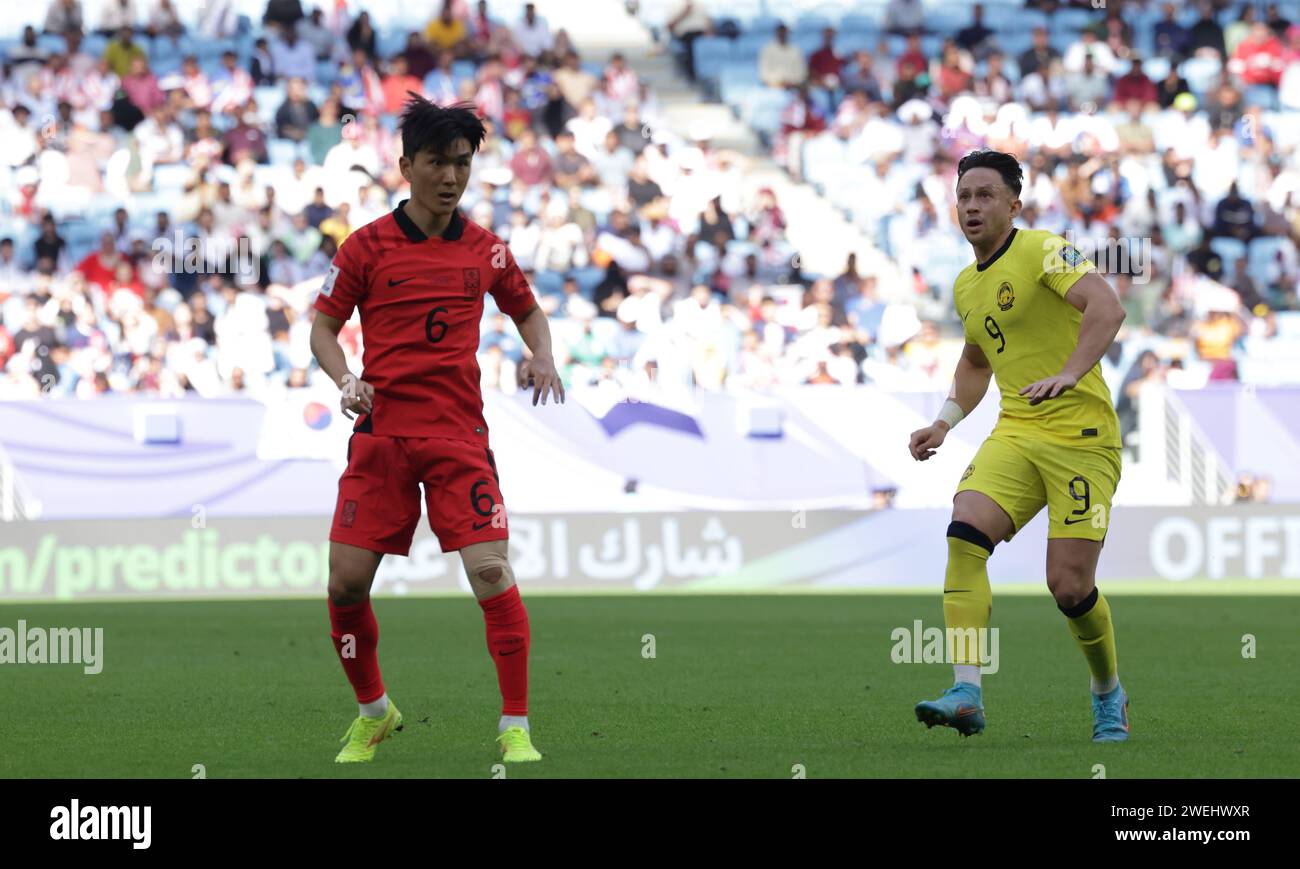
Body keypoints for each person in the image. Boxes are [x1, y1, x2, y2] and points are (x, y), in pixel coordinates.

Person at [310, 97, 563, 765]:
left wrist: (542, 353)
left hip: (457, 437)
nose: (451, 177)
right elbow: (322, 328)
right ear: (406, 166)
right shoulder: (364, 246)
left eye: (462, 163)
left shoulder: (488, 251)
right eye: (436, 163)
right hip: (382, 434)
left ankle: (515, 726)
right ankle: (373, 712)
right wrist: (344, 379)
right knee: (343, 585)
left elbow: (529, 313)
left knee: (490, 570)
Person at [908, 149, 1130, 743]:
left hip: (1083, 440)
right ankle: (966, 692)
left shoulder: (1043, 249)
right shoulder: (965, 286)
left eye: (985, 195)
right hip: (1018, 433)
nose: (972, 206)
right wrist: (945, 422)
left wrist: (1072, 372)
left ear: (1014, 204)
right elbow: (977, 360)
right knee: (965, 533)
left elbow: (1106, 307)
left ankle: (1108, 693)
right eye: (964, 197)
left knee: (1069, 586)